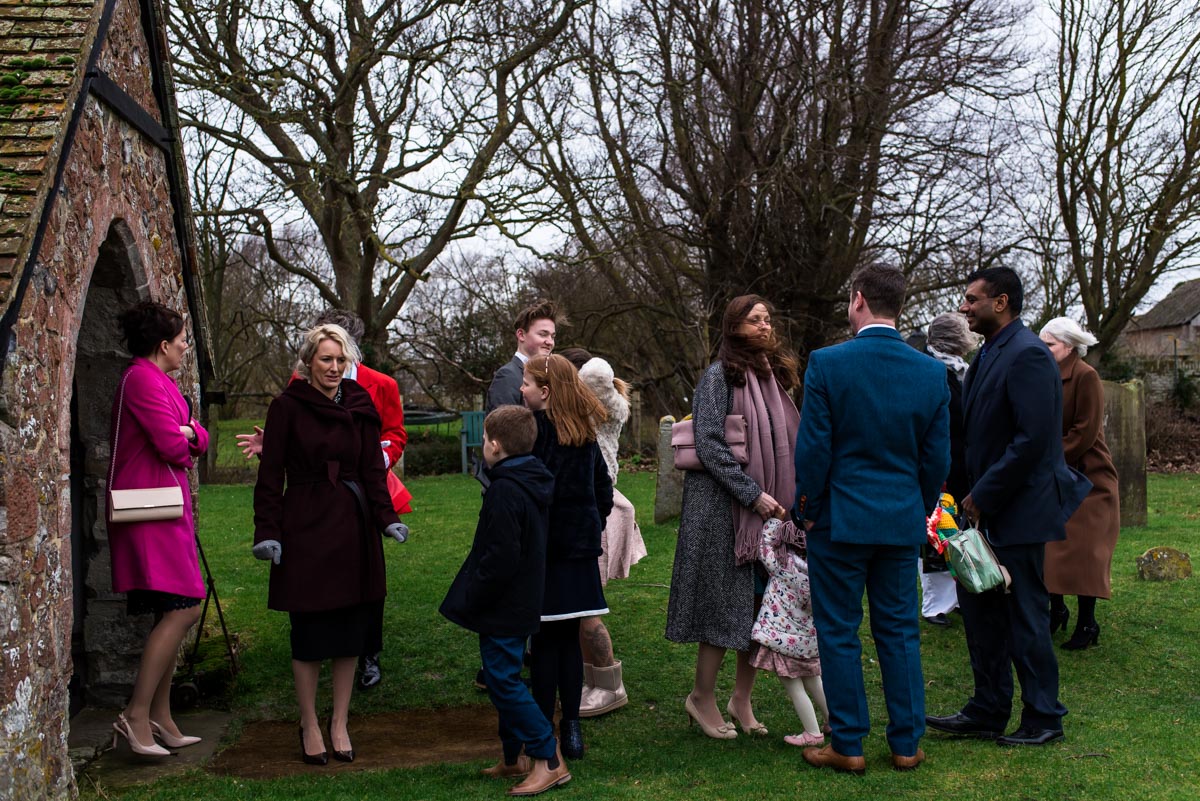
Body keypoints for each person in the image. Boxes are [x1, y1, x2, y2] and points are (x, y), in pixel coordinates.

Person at [793, 264, 950, 775]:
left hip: (839, 520)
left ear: (858, 300)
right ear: (897, 306)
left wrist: (809, 510)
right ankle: (906, 743)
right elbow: (936, 460)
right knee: (900, 631)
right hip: (899, 518)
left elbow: (814, 451)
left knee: (838, 630)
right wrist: (919, 507)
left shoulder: (827, 363)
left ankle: (850, 743)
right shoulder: (930, 371)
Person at [926, 267, 1090, 748]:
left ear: (1001, 302)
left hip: (1016, 511)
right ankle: (988, 708)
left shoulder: (1029, 356)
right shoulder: (986, 356)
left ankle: (1044, 716)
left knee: (1024, 615)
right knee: (980, 615)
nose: (964, 307)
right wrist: (956, 497)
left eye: (972, 300)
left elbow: (1033, 441)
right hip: (978, 513)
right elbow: (976, 436)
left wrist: (984, 495)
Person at [251, 324, 408, 765]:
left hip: (353, 525)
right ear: (308, 361)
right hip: (305, 522)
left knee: (349, 631)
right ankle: (309, 722)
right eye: (326, 359)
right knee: (309, 631)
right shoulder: (286, 407)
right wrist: (268, 532)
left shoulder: (360, 404)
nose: (335, 368)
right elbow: (270, 476)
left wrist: (386, 519)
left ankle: (339, 721)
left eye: (341, 360)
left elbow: (371, 471)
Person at [665, 295, 800, 740]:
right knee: (723, 609)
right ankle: (700, 697)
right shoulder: (719, 376)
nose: (764, 325)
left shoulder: (772, 376)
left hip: (764, 513)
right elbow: (708, 443)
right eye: (754, 319)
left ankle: (740, 698)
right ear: (734, 326)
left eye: (767, 319)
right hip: (723, 510)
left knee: (759, 607)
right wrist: (752, 495)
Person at [439, 405, 571, 796]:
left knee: (502, 680)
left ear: (495, 446)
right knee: (503, 676)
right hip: (524, 598)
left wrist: (475, 597)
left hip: (504, 603)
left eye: (484, 441)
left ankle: (548, 758)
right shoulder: (532, 479)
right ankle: (513, 757)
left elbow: (500, 558)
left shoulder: (504, 490)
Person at [107, 301, 209, 757]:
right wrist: (188, 433)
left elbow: (198, 435)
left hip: (166, 512)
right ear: (163, 345)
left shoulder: (159, 380)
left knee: (174, 607)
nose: (187, 347)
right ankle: (135, 713)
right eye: (183, 340)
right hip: (150, 514)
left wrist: (189, 433)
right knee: (184, 607)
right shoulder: (141, 380)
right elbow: (174, 443)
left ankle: (161, 716)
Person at [520, 354, 614, 760]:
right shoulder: (585, 434)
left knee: (544, 644)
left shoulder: (531, 434)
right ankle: (570, 726)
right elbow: (604, 492)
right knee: (568, 643)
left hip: (545, 554)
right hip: (578, 553)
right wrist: (589, 525)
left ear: (544, 391)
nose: (520, 390)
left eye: (525, 384)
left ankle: (545, 727)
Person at [1039, 317, 1120, 651]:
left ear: (1069, 346)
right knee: (1050, 546)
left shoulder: (1086, 376)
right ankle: (1056, 609)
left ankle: (1088, 621)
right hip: (1056, 471)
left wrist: (1048, 459)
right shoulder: (1045, 375)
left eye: (1050, 345)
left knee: (1086, 552)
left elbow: (1085, 432)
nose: (1044, 351)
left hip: (1089, 476)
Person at [575, 355, 646, 717]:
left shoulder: (602, 408)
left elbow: (598, 371)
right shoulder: (586, 414)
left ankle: (608, 684)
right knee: (579, 608)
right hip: (589, 514)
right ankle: (592, 682)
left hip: (594, 515)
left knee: (587, 607)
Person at [915, 312, 978, 625]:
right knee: (936, 534)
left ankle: (956, 598)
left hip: (961, 466)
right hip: (938, 466)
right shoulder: (930, 370)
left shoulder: (960, 370)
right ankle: (935, 604)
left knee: (956, 532)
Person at [749, 518, 830, 749]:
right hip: (808, 643)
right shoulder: (819, 573)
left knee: (794, 686)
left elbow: (763, 546)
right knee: (815, 681)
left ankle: (812, 733)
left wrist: (776, 522)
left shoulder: (782, 566)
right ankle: (832, 721)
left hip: (782, 642)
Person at [486, 299, 560, 413]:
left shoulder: (549, 375)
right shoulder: (507, 376)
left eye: (552, 336)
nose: (550, 342)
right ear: (521, 335)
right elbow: (503, 428)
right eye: (543, 334)